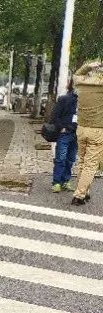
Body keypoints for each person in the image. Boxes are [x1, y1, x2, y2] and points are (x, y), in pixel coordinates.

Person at [71, 60, 103, 206]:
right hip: (97, 130)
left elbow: (77, 74)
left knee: (82, 162)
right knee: (90, 165)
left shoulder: (81, 83)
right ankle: (79, 195)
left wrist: (89, 66)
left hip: (81, 128)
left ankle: (85, 190)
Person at [51, 78, 78, 193]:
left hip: (77, 134)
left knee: (71, 159)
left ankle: (66, 181)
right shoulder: (64, 99)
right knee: (60, 159)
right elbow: (55, 115)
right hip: (65, 133)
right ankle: (57, 182)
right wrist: (61, 128)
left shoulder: (85, 101)